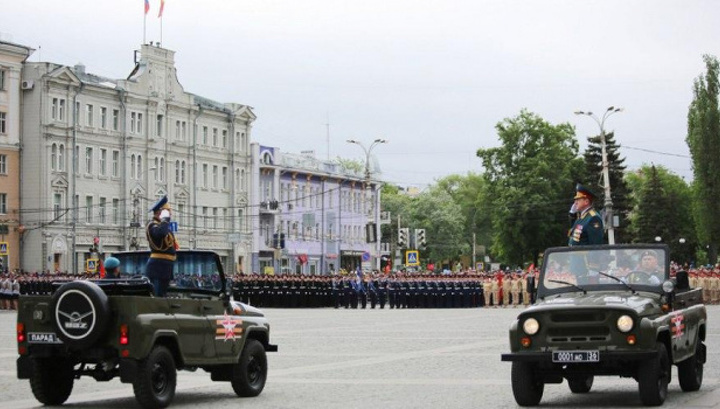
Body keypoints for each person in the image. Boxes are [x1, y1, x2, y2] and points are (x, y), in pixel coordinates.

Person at [145, 195, 178, 296]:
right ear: (160, 212)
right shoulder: (152, 225)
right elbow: (161, 234)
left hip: (165, 267)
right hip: (158, 267)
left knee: (163, 297)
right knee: (157, 298)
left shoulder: (162, 226)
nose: (170, 214)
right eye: (167, 211)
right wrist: (164, 220)